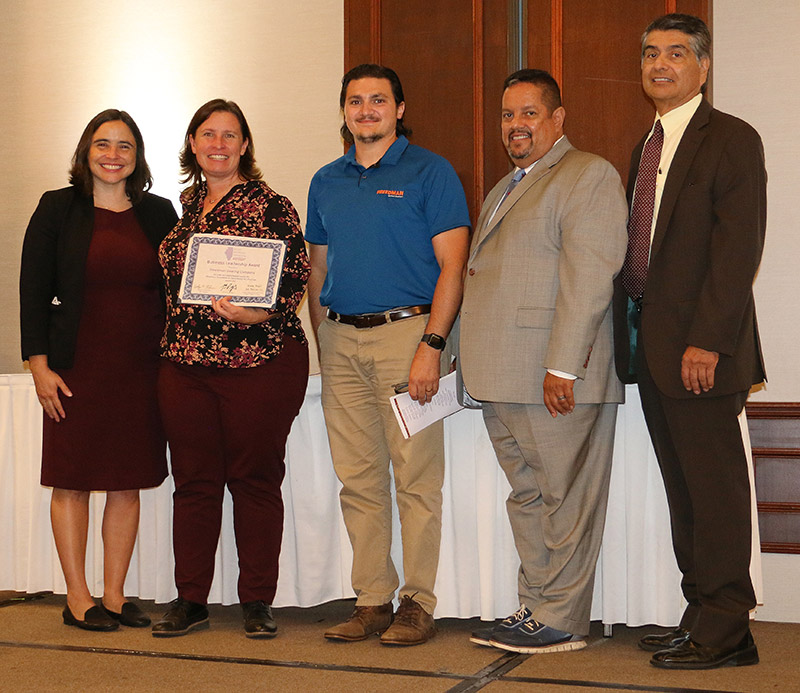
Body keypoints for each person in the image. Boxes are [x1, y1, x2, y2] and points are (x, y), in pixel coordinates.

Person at [613, 14, 766, 669]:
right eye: (650, 53)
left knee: (717, 491)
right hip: (653, 347)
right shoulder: (645, 144)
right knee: (686, 491)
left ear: (703, 66)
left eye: (676, 53)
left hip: (702, 350)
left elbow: (737, 250)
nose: (660, 64)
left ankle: (727, 626)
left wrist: (707, 340)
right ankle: (703, 612)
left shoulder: (730, 138)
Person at [458, 69, 627, 654]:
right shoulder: (507, 186)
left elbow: (590, 276)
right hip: (501, 374)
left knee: (565, 500)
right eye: (507, 115)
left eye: (529, 113)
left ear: (558, 118)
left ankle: (562, 618)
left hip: (552, 376)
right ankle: (535, 608)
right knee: (528, 496)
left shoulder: (588, 175)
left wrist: (564, 366)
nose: (515, 126)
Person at [306, 64, 470, 646]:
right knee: (359, 479)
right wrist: (324, 340)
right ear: (344, 111)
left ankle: (418, 604)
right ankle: (373, 599)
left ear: (400, 109)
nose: (366, 110)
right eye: (355, 101)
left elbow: (454, 266)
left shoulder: (431, 172)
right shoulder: (326, 180)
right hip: (341, 341)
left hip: (410, 339)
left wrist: (433, 344)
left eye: (379, 100)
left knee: (417, 480)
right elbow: (317, 269)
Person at [152, 99, 310, 639]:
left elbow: (295, 280)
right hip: (187, 366)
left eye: (230, 135)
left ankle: (257, 601)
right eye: (208, 134)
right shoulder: (187, 205)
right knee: (194, 483)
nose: (218, 144)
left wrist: (256, 312)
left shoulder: (273, 206)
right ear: (193, 144)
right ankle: (190, 598)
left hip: (257, 363)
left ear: (245, 146)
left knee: (255, 479)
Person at [19, 109, 178, 631]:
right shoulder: (57, 208)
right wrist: (38, 366)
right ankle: (77, 596)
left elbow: (179, 288)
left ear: (138, 156)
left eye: (125, 146)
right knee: (72, 483)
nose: (113, 155)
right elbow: (33, 291)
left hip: (140, 369)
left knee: (126, 482)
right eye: (103, 144)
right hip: (75, 369)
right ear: (86, 151)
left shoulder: (159, 214)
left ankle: (113, 594)